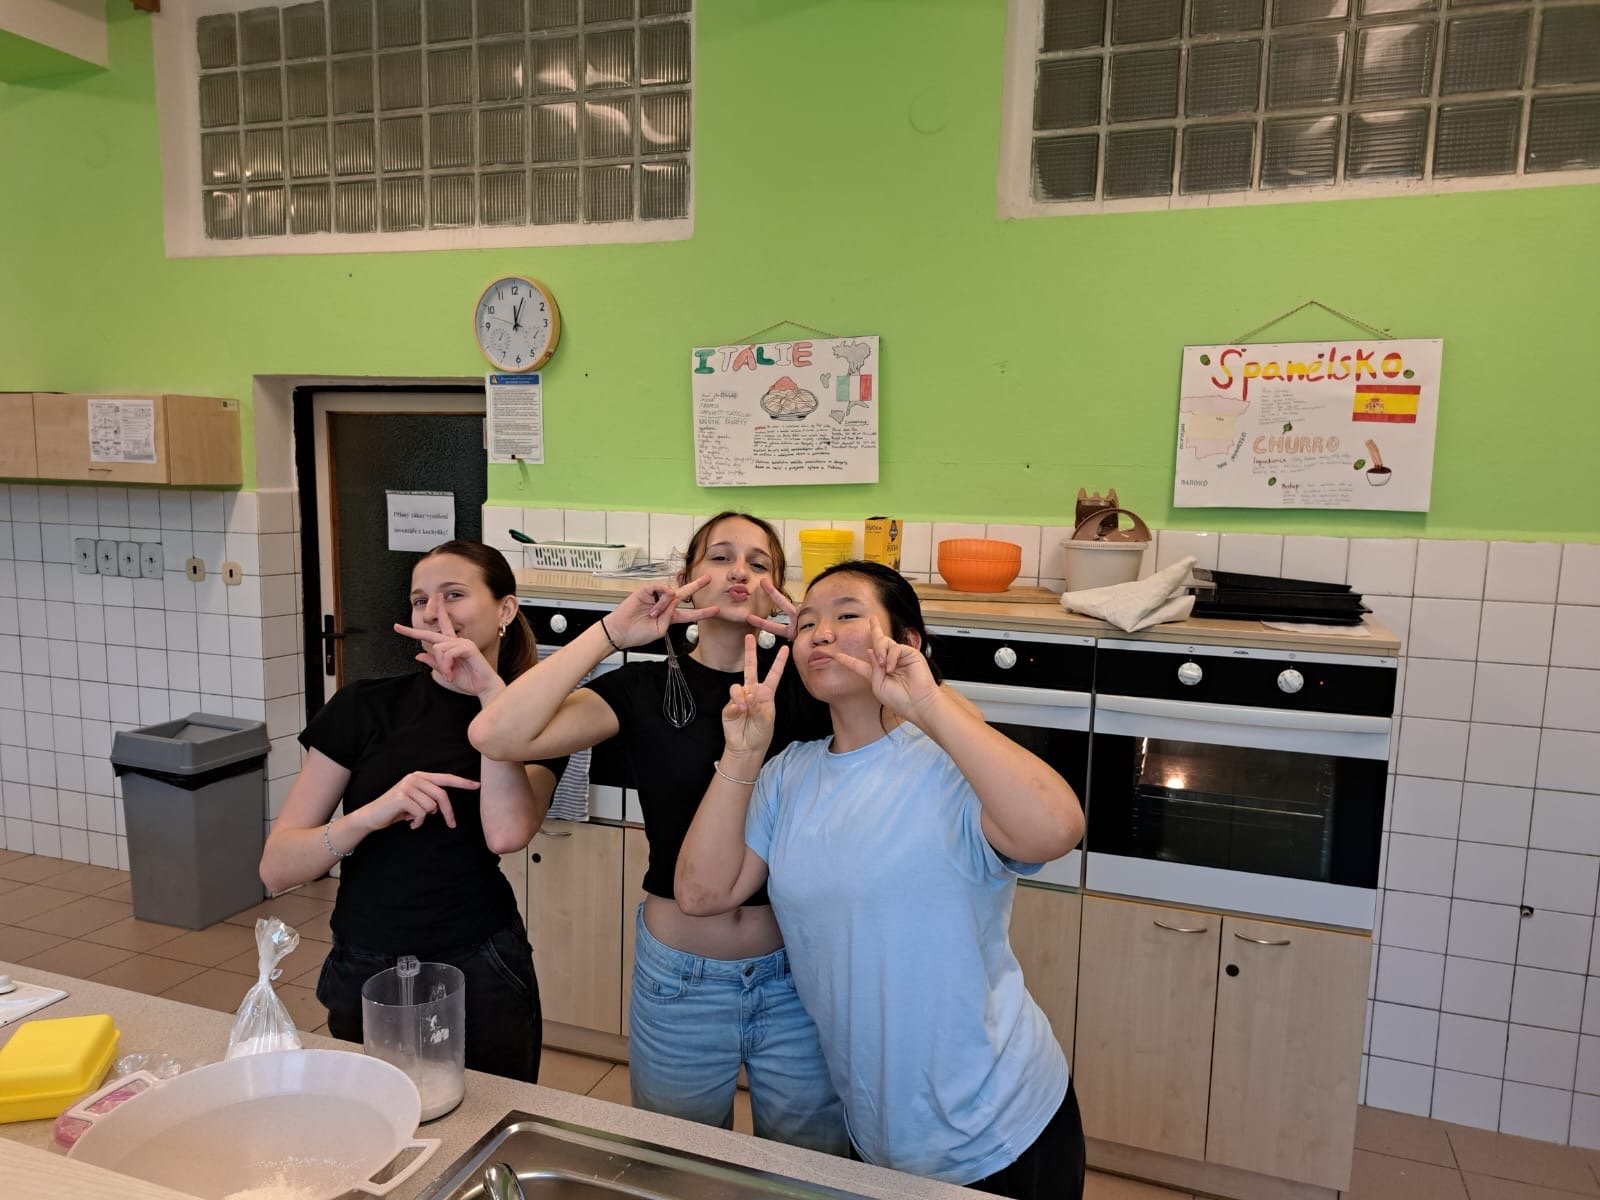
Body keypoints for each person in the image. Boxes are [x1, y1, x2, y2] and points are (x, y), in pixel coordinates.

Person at [675, 560, 1087, 1200]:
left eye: (847, 615)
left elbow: (1056, 829)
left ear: (908, 642)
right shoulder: (789, 774)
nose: (820, 632)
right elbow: (703, 892)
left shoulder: (949, 763)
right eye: (805, 623)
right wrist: (743, 753)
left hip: (1001, 1126)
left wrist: (927, 704)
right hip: (877, 1131)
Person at [469, 512, 848, 1154]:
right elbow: (497, 734)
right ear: (685, 579)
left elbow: (918, 724)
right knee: (675, 1165)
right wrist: (612, 634)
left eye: (759, 564)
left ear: (778, 592)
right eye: (720, 557)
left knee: (810, 1169)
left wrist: (818, 641)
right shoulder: (642, 686)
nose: (739, 572)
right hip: (680, 980)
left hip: (797, 975)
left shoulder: (810, 691)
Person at [260, 539, 565, 1084]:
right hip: (364, 961)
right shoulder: (362, 707)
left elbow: (508, 833)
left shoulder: (539, 721)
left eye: (454, 594)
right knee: (372, 1121)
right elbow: (277, 868)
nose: (433, 612)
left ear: (506, 610)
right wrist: (370, 815)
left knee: (491, 1120)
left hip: (480, 963)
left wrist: (490, 694)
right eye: (420, 599)